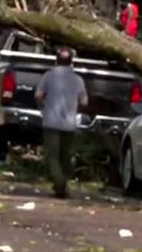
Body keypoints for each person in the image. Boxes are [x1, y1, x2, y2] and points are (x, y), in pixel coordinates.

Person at [34, 47, 88, 198]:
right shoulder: (78, 79)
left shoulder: (48, 76)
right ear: (71, 62)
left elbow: (38, 95)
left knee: (53, 156)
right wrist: (76, 107)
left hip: (51, 122)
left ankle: (60, 184)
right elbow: (84, 101)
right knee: (65, 156)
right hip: (69, 123)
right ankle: (62, 184)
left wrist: (43, 107)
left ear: (56, 60)